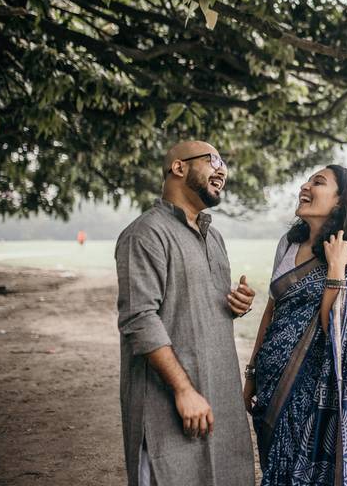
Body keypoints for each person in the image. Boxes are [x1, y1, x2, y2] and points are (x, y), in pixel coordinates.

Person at [115, 140, 257, 486]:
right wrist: (183, 390)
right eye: (213, 160)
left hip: (219, 395)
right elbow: (139, 320)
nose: (222, 169)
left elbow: (193, 303)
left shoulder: (214, 236)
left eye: (224, 163)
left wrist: (235, 303)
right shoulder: (145, 233)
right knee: (172, 474)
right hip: (169, 402)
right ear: (179, 168)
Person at [246, 165, 347, 486]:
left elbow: (334, 328)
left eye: (317, 182)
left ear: (340, 202)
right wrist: (252, 373)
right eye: (307, 180)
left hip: (312, 389)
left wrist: (336, 269)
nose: (304, 186)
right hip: (271, 381)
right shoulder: (288, 244)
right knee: (275, 468)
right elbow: (272, 310)